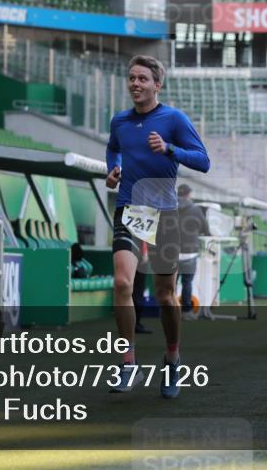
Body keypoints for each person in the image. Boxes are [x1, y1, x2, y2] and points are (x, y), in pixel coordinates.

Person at [106, 55, 210, 398]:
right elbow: (113, 149)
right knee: (122, 283)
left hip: (166, 213)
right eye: (131, 78)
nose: (135, 84)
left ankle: (172, 357)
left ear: (157, 85)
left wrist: (169, 148)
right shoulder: (119, 121)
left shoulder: (174, 119)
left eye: (143, 79)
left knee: (166, 295)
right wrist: (114, 168)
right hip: (130, 209)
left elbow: (203, 161)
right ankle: (128, 363)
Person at [176, 184, 209, 320]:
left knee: (169, 283)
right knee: (187, 282)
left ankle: (167, 312)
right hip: (190, 251)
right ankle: (186, 312)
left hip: (170, 252)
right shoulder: (195, 210)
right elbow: (205, 228)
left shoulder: (169, 207)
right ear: (189, 194)